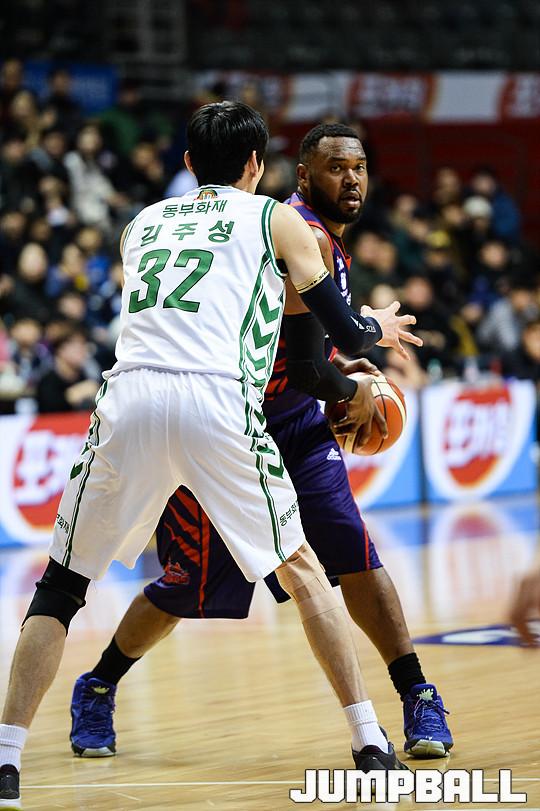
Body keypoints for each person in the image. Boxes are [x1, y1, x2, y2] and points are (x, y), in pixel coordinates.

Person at [0, 103, 420, 808]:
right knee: (304, 571)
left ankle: (7, 759)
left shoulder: (142, 224)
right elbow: (345, 333)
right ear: (257, 164)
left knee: (61, 587)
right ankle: (370, 742)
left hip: (128, 399)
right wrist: (375, 323)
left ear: (190, 163)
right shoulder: (278, 220)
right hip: (218, 401)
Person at [509, 563, 540, 646]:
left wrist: (528, 640)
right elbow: (515, 616)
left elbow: (515, 616)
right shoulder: (531, 580)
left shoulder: (531, 580)